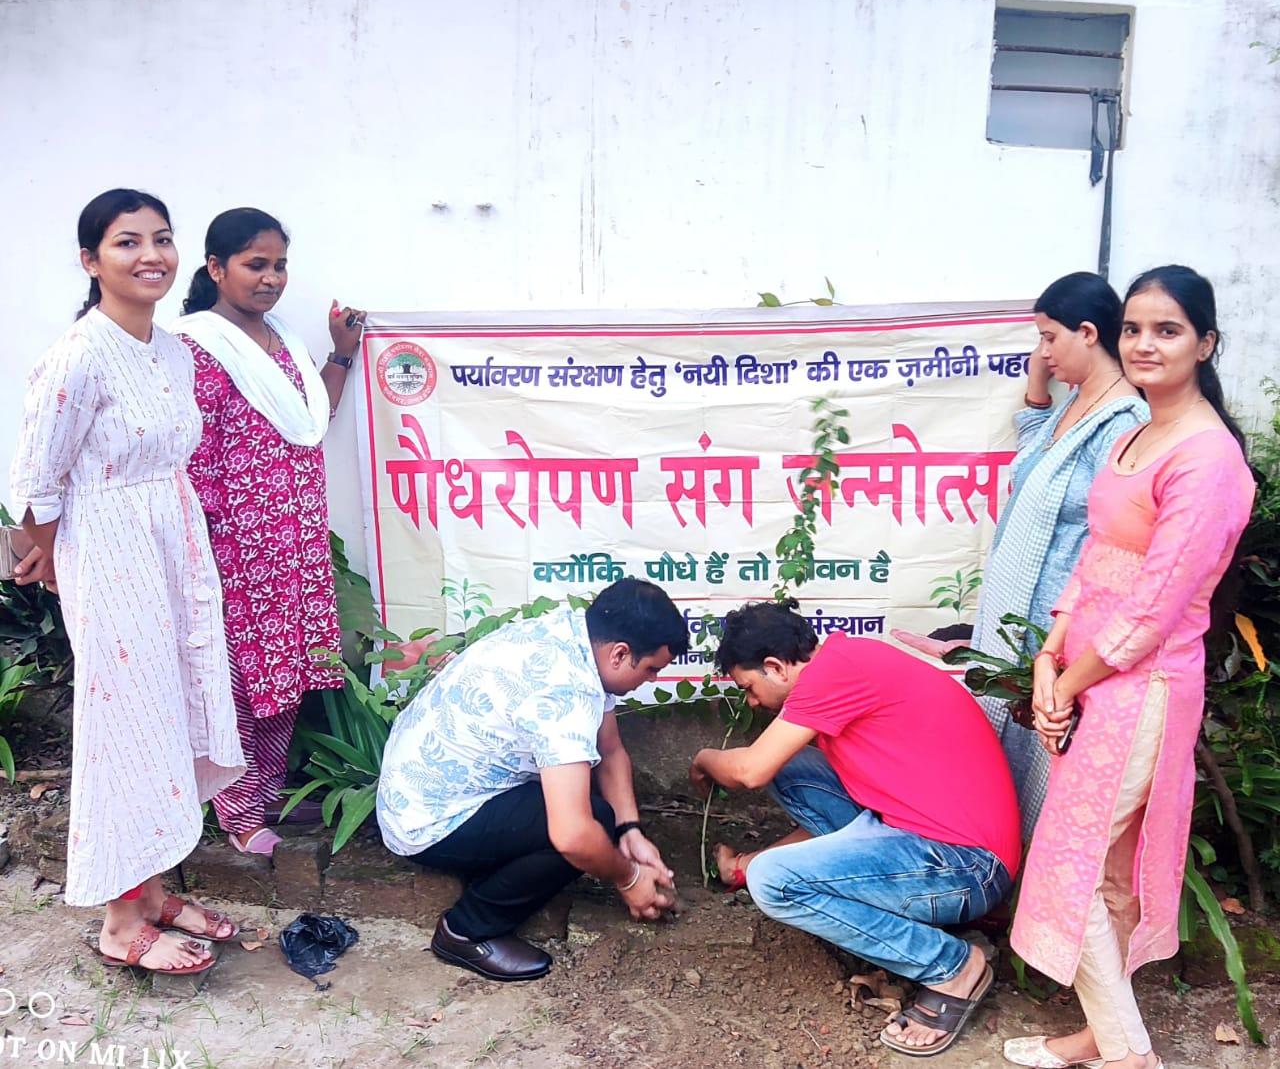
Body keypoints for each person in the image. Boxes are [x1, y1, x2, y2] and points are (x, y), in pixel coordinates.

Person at [1005, 266, 1255, 1069]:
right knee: (1105, 874)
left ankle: (1128, 1053)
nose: (1145, 344)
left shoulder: (1207, 459)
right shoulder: (1132, 435)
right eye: (1135, 329)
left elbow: (1153, 610)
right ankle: (1100, 1036)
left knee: (1070, 868)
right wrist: (1049, 656)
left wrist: (1065, 684)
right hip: (1087, 675)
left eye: (1168, 330)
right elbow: (1093, 560)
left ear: (1206, 344)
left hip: (1142, 688)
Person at [8, 189, 246, 974]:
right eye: (127, 241)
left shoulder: (172, 350)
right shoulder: (79, 355)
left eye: (162, 238)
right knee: (125, 723)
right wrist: (47, 555)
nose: (151, 255)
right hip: (109, 552)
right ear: (91, 260)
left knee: (167, 712)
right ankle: (119, 918)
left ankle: (150, 890)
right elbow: (36, 479)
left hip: (172, 543)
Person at [693, 600, 1021, 1057]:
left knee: (774, 882)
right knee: (792, 769)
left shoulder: (832, 676)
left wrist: (703, 759)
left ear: (775, 667)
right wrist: (748, 861)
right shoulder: (846, 660)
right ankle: (766, 869)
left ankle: (952, 967)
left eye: (748, 687)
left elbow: (749, 770)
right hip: (930, 838)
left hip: (965, 868)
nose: (751, 701)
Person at [895, 272, 1146, 839]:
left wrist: (1059, 640)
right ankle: (997, 848)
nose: (1043, 352)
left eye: (1050, 338)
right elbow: (1037, 458)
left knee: (1037, 755)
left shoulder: (1125, 424)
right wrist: (1038, 385)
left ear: (1088, 333)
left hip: (1054, 623)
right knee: (1001, 742)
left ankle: (1022, 860)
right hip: (1017, 613)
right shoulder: (1077, 403)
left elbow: (1112, 538)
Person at [377, 577, 687, 982]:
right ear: (620, 654)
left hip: (429, 790)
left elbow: (609, 750)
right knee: (589, 822)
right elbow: (573, 835)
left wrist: (630, 831)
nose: (652, 680)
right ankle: (467, 930)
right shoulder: (565, 693)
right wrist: (628, 878)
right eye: (651, 670)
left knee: (600, 819)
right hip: (429, 820)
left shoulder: (574, 638)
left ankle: (493, 870)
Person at [172, 208, 364, 856]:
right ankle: (238, 811)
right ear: (216, 268)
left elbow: (314, 417)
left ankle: (270, 791)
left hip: (293, 544)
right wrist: (204, 555)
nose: (271, 278)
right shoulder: (196, 349)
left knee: (285, 676)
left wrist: (340, 352)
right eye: (256, 264)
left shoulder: (281, 341)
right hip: (235, 551)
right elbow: (188, 460)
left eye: (280, 265)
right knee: (236, 686)